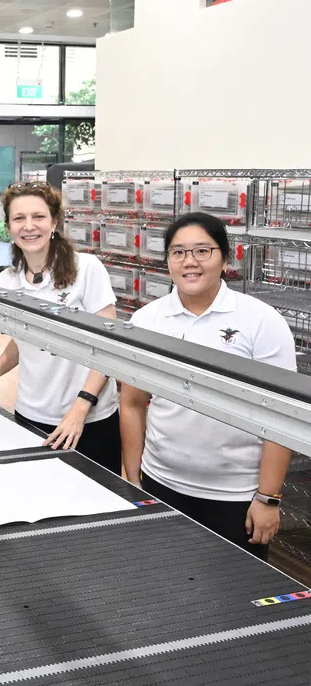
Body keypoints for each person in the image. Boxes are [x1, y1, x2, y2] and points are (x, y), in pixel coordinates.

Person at [120, 212, 296, 557]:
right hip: (161, 482)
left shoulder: (261, 321)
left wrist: (268, 497)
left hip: (235, 496)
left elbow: (281, 416)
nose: (190, 262)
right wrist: (132, 477)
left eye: (203, 251)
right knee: (162, 586)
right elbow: (133, 402)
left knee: (234, 598)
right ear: (168, 260)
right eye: (178, 252)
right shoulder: (145, 321)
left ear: (225, 258)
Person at [0, 181, 121, 472]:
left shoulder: (87, 269)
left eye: (38, 217)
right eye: (19, 218)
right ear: (9, 226)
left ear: (55, 221)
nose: (29, 226)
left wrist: (81, 407)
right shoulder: (8, 280)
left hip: (89, 419)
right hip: (31, 413)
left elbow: (109, 346)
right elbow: (25, 341)